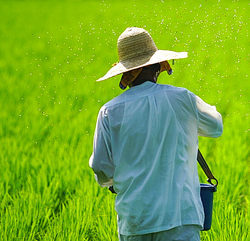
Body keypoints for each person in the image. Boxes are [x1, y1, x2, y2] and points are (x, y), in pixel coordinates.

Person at [89, 27, 223, 241]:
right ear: (157, 66)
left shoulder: (109, 111)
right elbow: (216, 127)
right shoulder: (181, 98)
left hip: (135, 220)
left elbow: (100, 168)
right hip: (180, 218)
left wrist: (111, 182)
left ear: (126, 73)